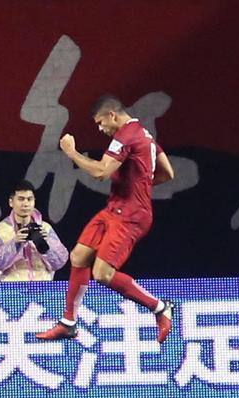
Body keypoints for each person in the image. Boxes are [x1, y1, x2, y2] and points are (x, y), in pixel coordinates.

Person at [37, 95, 175, 343]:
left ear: (113, 115)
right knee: (78, 256)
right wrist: (140, 184)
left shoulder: (126, 135)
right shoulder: (144, 134)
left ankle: (160, 307)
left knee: (102, 274)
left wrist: (72, 152)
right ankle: (68, 322)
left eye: (101, 123)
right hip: (115, 210)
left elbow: (101, 172)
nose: (101, 129)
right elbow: (168, 173)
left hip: (130, 216)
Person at [0, 179, 68, 281]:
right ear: (11, 202)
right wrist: (15, 244)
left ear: (34, 202)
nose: (25, 204)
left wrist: (47, 244)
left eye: (29, 199)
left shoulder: (45, 228)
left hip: (41, 290)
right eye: (21, 199)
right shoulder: (1, 230)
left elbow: (60, 262)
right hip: (11, 291)